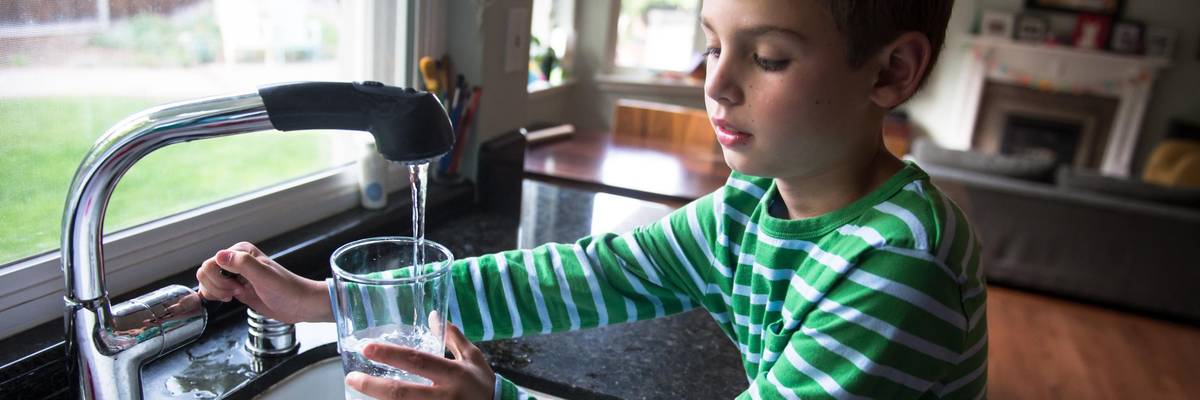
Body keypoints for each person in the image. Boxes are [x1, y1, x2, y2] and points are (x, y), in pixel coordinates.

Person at [197, 0, 986, 398]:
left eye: (770, 56)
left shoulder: (894, 270)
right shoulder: (753, 205)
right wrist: (320, 302)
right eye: (713, 44)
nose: (715, 82)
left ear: (889, 73)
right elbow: (588, 275)